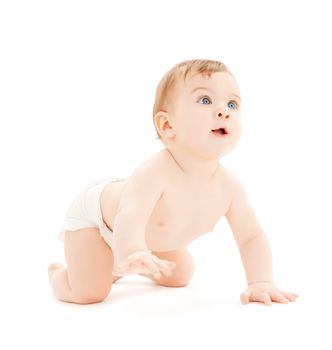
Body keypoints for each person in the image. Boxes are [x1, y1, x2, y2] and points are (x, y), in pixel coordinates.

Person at [48, 59, 299, 306]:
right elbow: (130, 217)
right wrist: (134, 251)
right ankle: (62, 275)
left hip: (141, 237)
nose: (223, 111)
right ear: (167, 124)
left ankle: (115, 265)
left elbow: (251, 237)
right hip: (99, 222)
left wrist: (260, 282)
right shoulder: (154, 173)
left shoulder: (229, 187)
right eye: (205, 100)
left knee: (180, 274)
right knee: (90, 293)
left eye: (232, 104)